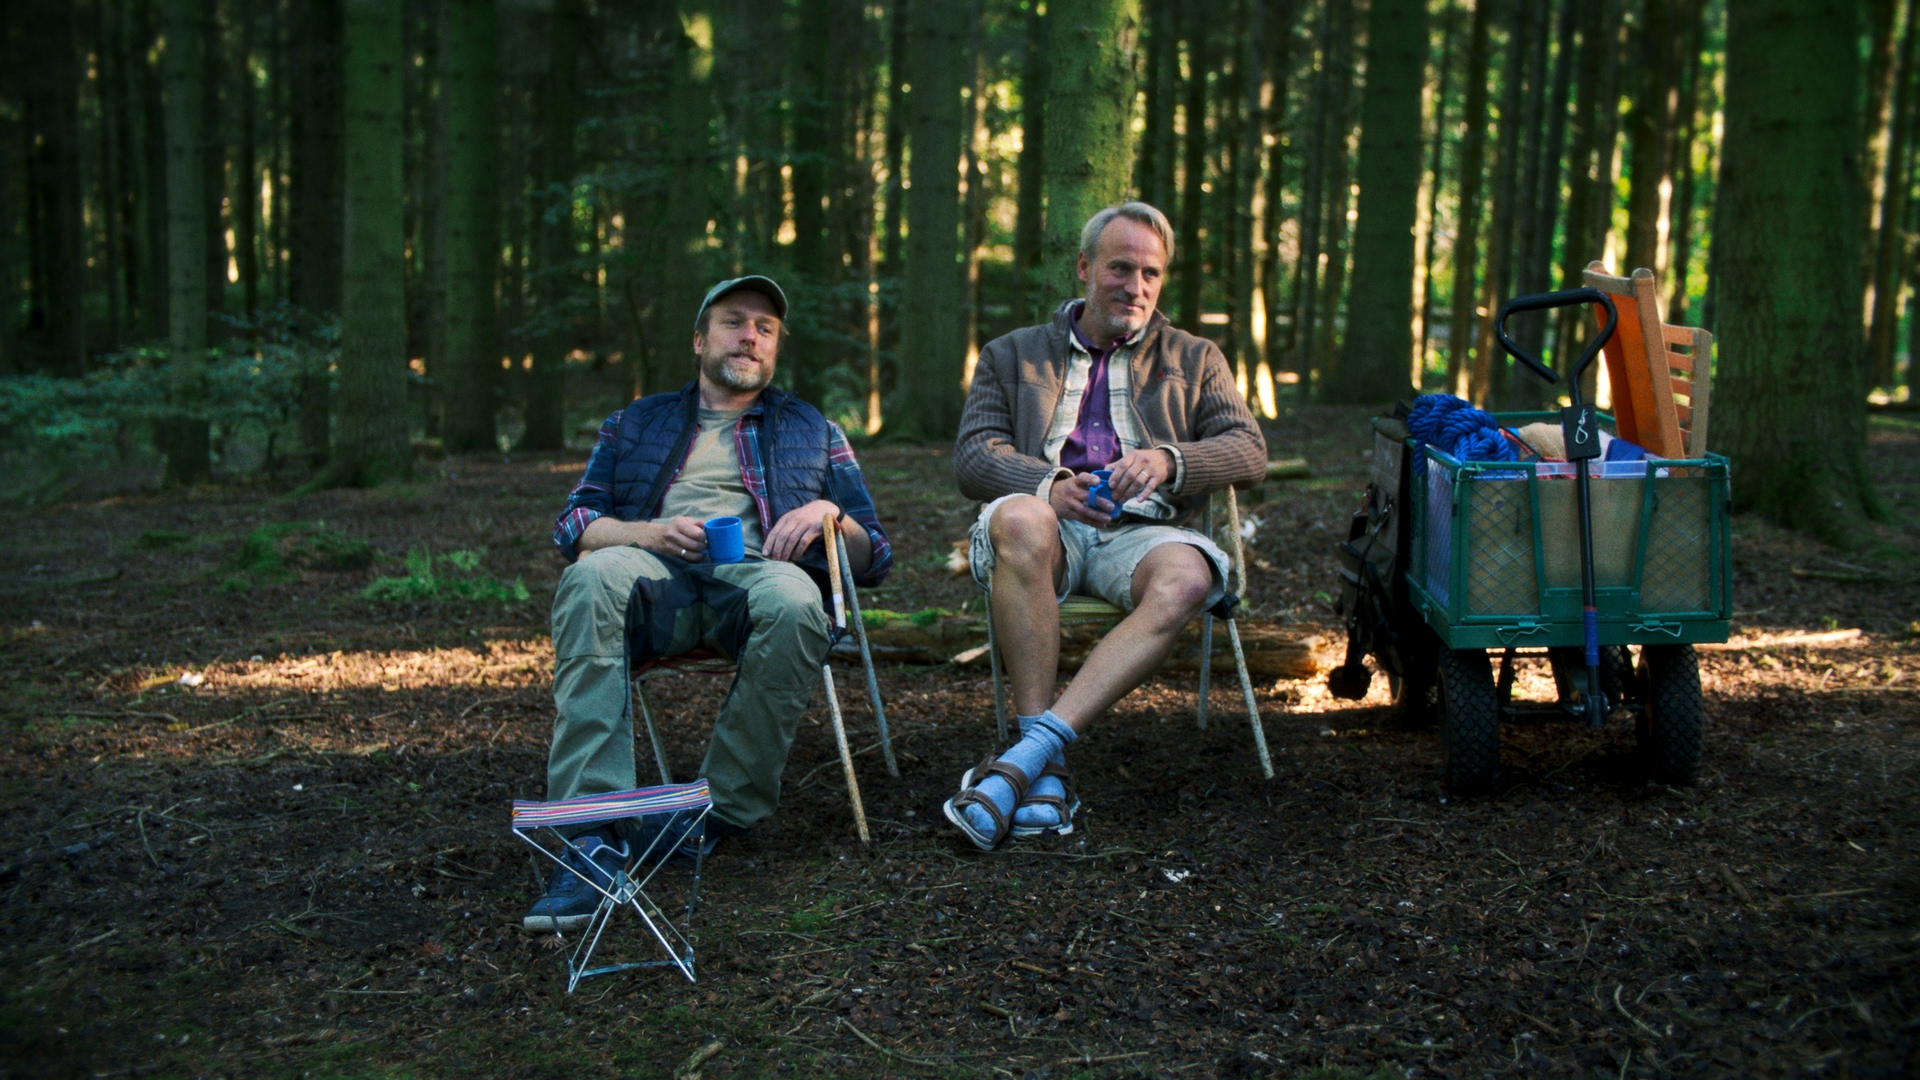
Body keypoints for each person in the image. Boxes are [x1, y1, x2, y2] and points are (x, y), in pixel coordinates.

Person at [525, 275, 891, 932]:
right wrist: (647, 533)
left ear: (775, 347)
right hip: (651, 573)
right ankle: (590, 836)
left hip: (756, 579)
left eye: (764, 328)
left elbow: (875, 557)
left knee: (796, 598)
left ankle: (713, 811)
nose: (749, 336)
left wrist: (829, 514)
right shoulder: (634, 422)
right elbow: (574, 525)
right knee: (589, 576)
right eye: (733, 321)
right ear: (699, 340)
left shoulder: (815, 430)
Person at [944, 202, 1267, 850]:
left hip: (1143, 534)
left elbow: (1249, 450)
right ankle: (1040, 764)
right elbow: (974, 457)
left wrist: (1170, 460)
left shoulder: (1196, 356)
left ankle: (1027, 760)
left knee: (1188, 578)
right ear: (1085, 268)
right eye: (1121, 268)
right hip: (1048, 529)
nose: (1135, 286)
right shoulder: (1012, 354)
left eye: (1151, 273)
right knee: (1022, 519)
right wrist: (1050, 485)